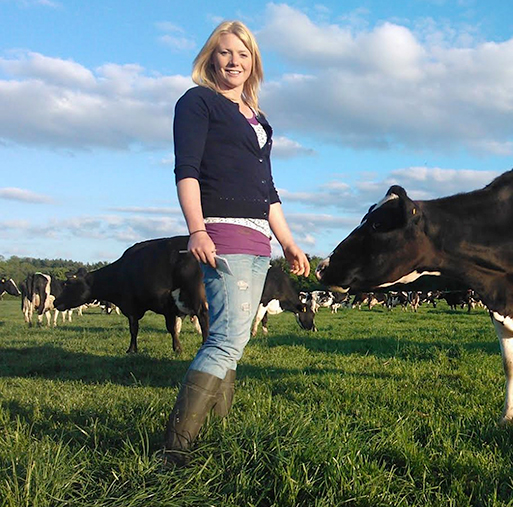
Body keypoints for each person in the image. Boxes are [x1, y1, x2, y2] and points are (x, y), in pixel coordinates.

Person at [162, 20, 310, 466]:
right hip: (222, 229)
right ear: (210, 58)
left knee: (236, 337)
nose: (234, 61)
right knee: (225, 338)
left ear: (253, 63)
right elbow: (186, 169)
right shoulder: (198, 103)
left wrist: (287, 241)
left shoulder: (257, 118)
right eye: (225, 53)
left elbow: (268, 189)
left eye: (243, 55)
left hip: (259, 239)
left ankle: (217, 435)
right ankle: (174, 450)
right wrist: (197, 229)